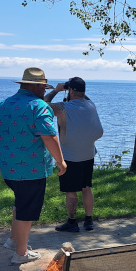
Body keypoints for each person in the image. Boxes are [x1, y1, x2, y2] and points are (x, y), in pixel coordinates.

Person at [0, 67, 67, 265]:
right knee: (27, 210)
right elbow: (49, 136)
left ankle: (13, 240)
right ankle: (21, 253)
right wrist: (60, 161)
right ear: (34, 86)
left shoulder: (1, 105)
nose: (44, 91)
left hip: (8, 169)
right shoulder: (38, 106)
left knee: (20, 202)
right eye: (42, 87)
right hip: (31, 170)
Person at [43, 77, 104, 232]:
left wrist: (57, 90)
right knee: (86, 187)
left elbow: (43, 104)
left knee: (71, 191)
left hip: (69, 156)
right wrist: (76, 91)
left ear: (70, 90)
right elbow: (84, 98)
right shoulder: (91, 105)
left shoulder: (63, 107)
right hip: (88, 154)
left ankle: (72, 222)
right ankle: (89, 221)